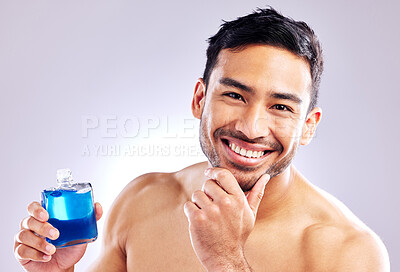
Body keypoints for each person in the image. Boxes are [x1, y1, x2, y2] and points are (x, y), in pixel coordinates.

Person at [14, 7, 390, 272]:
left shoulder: (349, 252)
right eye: (235, 95)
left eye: (281, 107)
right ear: (199, 99)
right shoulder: (141, 202)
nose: (252, 127)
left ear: (308, 126)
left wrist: (226, 261)